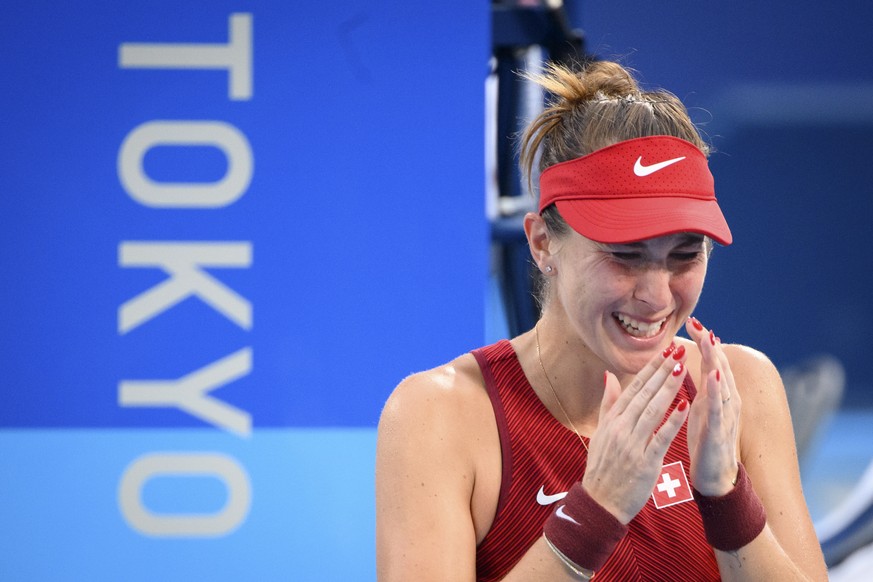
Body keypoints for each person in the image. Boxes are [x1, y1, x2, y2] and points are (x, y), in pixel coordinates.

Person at [375, 60, 828, 581]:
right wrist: (594, 512)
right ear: (544, 243)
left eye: (685, 254)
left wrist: (726, 500)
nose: (657, 296)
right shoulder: (441, 416)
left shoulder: (739, 387)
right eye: (625, 254)